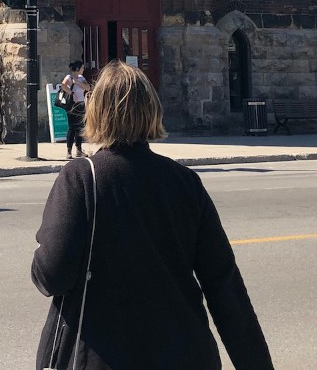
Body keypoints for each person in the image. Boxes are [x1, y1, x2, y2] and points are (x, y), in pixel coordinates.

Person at [31, 60, 274, 370]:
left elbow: (52, 275)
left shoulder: (81, 179)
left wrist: (42, 247)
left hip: (100, 356)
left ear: (96, 112)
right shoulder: (185, 182)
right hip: (185, 354)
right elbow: (225, 287)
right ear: (152, 111)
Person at [60, 60, 90, 159]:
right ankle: (69, 151)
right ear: (77, 69)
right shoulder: (68, 77)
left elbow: (88, 87)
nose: (83, 69)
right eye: (82, 68)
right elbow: (63, 86)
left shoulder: (81, 78)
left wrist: (77, 82)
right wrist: (72, 94)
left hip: (81, 104)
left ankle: (79, 150)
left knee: (80, 127)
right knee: (72, 127)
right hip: (72, 105)